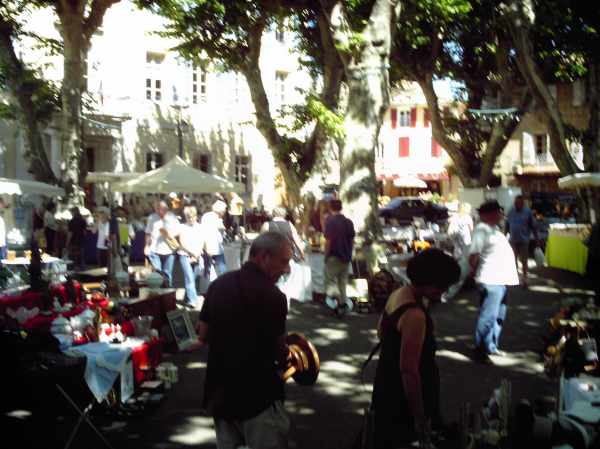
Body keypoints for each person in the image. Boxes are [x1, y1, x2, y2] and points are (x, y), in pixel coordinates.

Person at [194, 232, 292, 449]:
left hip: (221, 393)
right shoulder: (274, 297)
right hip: (258, 396)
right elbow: (279, 351)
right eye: (284, 261)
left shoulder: (217, 285)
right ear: (264, 257)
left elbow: (203, 334)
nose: (286, 269)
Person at [372, 249, 460, 448]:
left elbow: (380, 331)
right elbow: (409, 370)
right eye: (442, 287)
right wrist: (419, 417)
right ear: (430, 282)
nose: (443, 292)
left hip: (387, 384)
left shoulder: (399, 294)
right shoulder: (414, 315)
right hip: (402, 398)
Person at [470, 200, 519, 364]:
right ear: (490, 214)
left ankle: (490, 346)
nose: (502, 214)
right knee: (488, 316)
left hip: (500, 281)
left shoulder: (494, 229)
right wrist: (474, 274)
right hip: (490, 280)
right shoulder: (481, 230)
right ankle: (480, 350)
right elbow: (473, 256)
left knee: (498, 316)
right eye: (499, 211)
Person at [262, 206, 306, 306]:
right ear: (284, 214)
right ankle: (285, 301)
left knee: (272, 280)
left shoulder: (267, 225)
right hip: (286, 257)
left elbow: (260, 242)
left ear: (273, 214)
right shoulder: (290, 225)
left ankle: (274, 301)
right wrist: (302, 254)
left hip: (271, 257)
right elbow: (297, 241)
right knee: (286, 281)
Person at [323, 199, 355, 315]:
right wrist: (350, 253)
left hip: (334, 255)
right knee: (343, 282)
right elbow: (352, 240)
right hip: (346, 256)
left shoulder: (330, 221)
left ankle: (336, 301)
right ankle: (342, 304)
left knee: (330, 282)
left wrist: (326, 255)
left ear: (331, 208)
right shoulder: (348, 222)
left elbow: (328, 241)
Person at [505, 195, 539, 287]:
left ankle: (525, 278)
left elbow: (534, 226)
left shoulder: (528, 212)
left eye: (519, 203)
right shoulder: (511, 211)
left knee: (524, 260)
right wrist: (504, 237)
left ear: (523, 203)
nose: (517, 204)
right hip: (513, 240)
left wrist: (537, 240)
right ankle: (515, 277)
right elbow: (507, 225)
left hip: (524, 240)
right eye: (516, 203)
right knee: (512, 260)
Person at [145, 200, 179, 287]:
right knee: (157, 274)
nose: (162, 211)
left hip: (169, 250)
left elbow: (178, 231)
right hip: (154, 249)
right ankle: (158, 291)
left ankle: (168, 291)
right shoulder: (152, 217)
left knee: (167, 274)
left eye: (164, 209)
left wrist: (169, 234)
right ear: (156, 209)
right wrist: (146, 246)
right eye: (159, 209)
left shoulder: (172, 217)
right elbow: (148, 233)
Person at [177, 206, 205, 307]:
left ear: (196, 216)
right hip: (185, 255)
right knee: (189, 277)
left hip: (197, 255)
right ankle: (193, 300)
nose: (191, 219)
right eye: (188, 217)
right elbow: (182, 243)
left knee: (193, 277)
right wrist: (192, 254)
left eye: (193, 217)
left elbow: (202, 242)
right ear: (185, 217)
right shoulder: (182, 227)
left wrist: (196, 255)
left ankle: (187, 297)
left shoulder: (200, 227)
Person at [201, 200, 227, 278]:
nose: (225, 212)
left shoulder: (206, 216)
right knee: (221, 268)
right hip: (215, 247)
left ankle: (206, 282)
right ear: (221, 211)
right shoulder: (217, 218)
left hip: (208, 246)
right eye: (224, 210)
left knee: (208, 268)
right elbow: (222, 229)